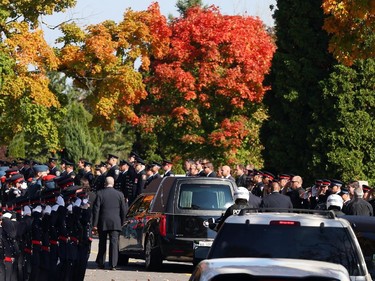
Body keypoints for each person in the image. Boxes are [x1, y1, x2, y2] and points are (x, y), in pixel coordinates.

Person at [92, 177, 126, 270]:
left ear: (105, 183)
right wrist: (122, 222)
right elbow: (123, 210)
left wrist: (94, 224)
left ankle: (101, 263)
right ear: (113, 183)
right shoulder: (119, 194)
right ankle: (113, 264)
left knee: (102, 242)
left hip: (103, 221)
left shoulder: (100, 193)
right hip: (115, 221)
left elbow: (96, 210)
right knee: (114, 243)